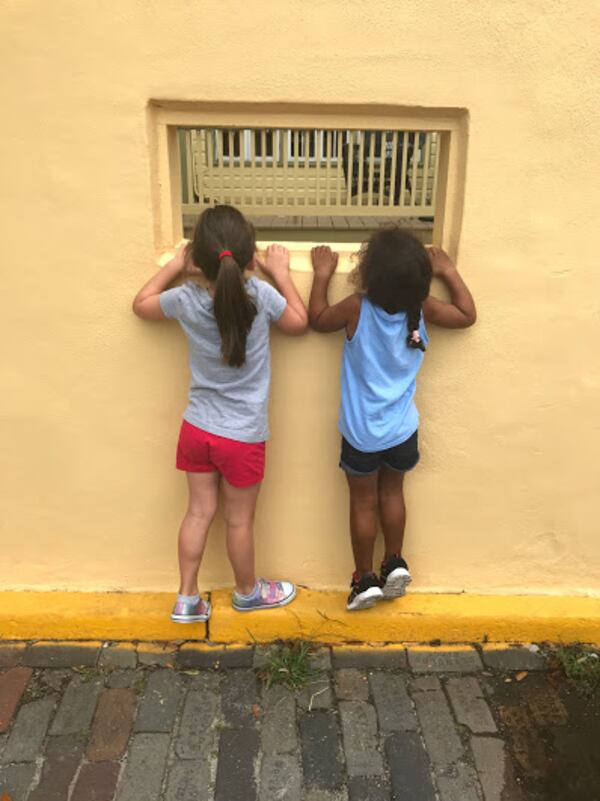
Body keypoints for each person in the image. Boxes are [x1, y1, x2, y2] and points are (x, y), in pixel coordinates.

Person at [132, 205, 307, 622]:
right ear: (250, 259)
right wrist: (280, 273)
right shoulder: (261, 295)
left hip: (197, 428)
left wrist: (174, 266)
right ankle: (247, 593)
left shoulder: (185, 299)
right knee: (238, 521)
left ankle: (187, 598)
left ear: (197, 260)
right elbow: (299, 323)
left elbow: (141, 304)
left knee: (197, 512)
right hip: (242, 436)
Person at [308, 228, 476, 610]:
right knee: (393, 494)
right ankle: (395, 561)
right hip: (403, 430)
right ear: (420, 277)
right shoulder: (424, 308)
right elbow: (467, 315)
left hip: (362, 433)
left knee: (363, 503)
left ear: (368, 273)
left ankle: (364, 579)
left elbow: (317, 318)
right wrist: (448, 271)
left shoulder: (355, 307)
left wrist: (321, 275)